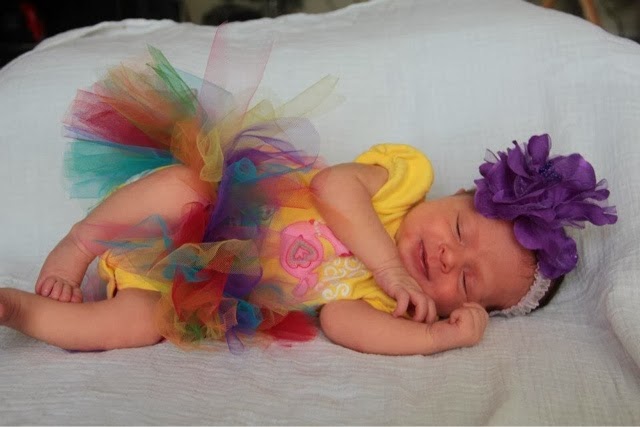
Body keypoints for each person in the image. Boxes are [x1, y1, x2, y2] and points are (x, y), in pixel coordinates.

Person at [0, 38, 617, 356]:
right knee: (183, 185)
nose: (449, 259)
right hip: (218, 211)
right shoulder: (404, 179)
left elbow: (344, 324)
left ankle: (30, 315)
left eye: (467, 281)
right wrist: (388, 265)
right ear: (457, 194)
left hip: (206, 287)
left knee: (144, 325)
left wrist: (436, 338)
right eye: (460, 231)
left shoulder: (393, 300)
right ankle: (78, 246)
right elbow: (332, 187)